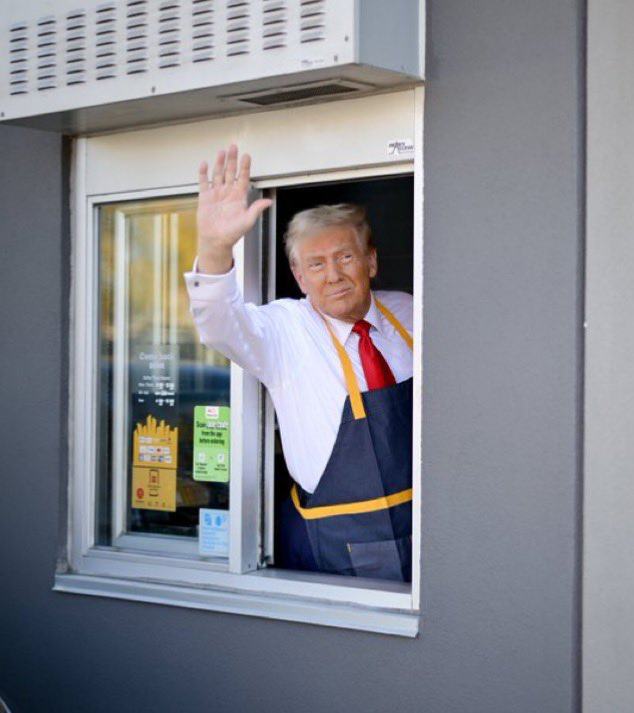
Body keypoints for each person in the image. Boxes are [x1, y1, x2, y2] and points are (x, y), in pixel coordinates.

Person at [185, 144, 414, 581]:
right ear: (300, 277)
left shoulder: (406, 313)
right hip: (339, 542)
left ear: (371, 260)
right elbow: (218, 323)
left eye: (345, 257)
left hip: (425, 525)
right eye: (316, 264)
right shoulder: (284, 329)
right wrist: (215, 245)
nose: (333, 275)